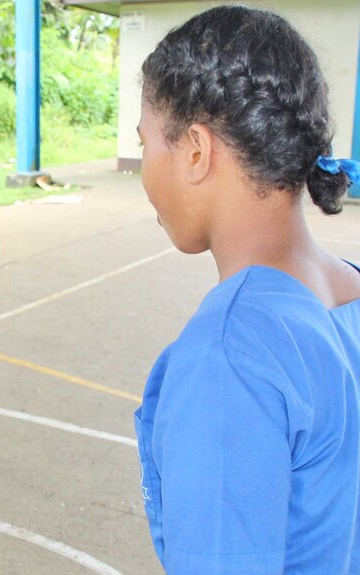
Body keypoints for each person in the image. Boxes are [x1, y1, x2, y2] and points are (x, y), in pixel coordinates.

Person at [133, 6, 360, 574]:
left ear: (194, 151)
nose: (145, 170)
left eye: (146, 145)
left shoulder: (230, 354)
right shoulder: (349, 288)